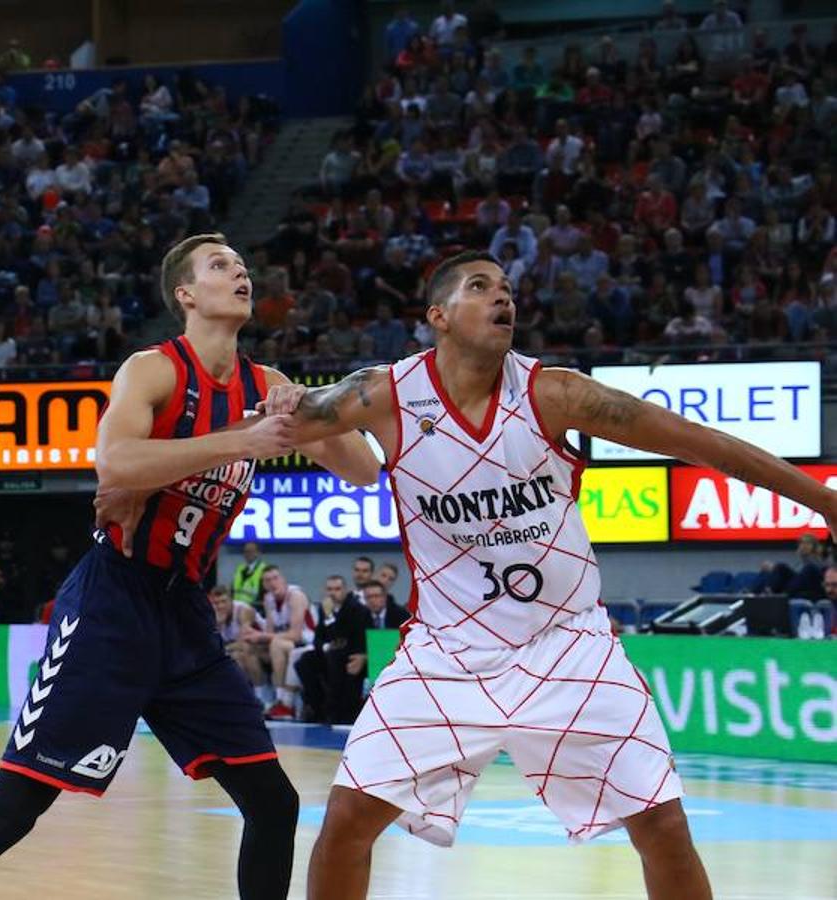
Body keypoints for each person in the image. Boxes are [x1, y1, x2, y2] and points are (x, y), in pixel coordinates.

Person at [243, 249, 837, 899]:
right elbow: (282, 419)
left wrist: (825, 501)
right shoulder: (384, 393)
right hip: (446, 654)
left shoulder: (554, 393)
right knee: (346, 823)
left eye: (507, 287)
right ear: (439, 315)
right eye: (481, 287)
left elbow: (699, 442)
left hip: (568, 647)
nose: (504, 297)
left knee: (663, 826)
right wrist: (286, 400)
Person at [0, 233, 380, 900]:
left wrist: (303, 409)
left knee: (274, 801)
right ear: (186, 294)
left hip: (185, 615)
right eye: (220, 266)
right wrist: (239, 440)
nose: (240, 273)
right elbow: (116, 463)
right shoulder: (153, 370)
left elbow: (364, 469)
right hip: (111, 603)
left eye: (242, 266)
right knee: (14, 808)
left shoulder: (267, 386)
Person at [295, 575, 371, 725]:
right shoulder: (324, 609)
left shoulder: (356, 609)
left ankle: (334, 711)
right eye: (329, 589)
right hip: (330, 653)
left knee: (335, 657)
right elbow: (318, 637)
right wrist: (326, 646)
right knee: (304, 661)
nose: (333, 593)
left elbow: (341, 638)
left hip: (351, 654)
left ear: (345, 590)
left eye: (337, 589)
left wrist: (330, 618)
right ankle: (316, 707)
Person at [253, 566, 314, 720]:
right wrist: (257, 639)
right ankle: (262, 698)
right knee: (250, 649)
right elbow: (269, 631)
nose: (272, 583)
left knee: (277, 644)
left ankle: (284, 702)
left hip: (308, 642)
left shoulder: (295, 596)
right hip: (287, 642)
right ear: (264, 584)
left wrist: (262, 636)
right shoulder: (268, 599)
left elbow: (296, 635)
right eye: (268, 580)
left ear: (283, 579)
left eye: (275, 578)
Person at [230, 540, 269, 608]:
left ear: (258, 553)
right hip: (236, 607)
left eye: (250, 551)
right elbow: (232, 590)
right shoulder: (240, 569)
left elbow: (265, 594)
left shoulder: (264, 569)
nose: (247, 554)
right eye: (245, 551)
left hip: (255, 608)